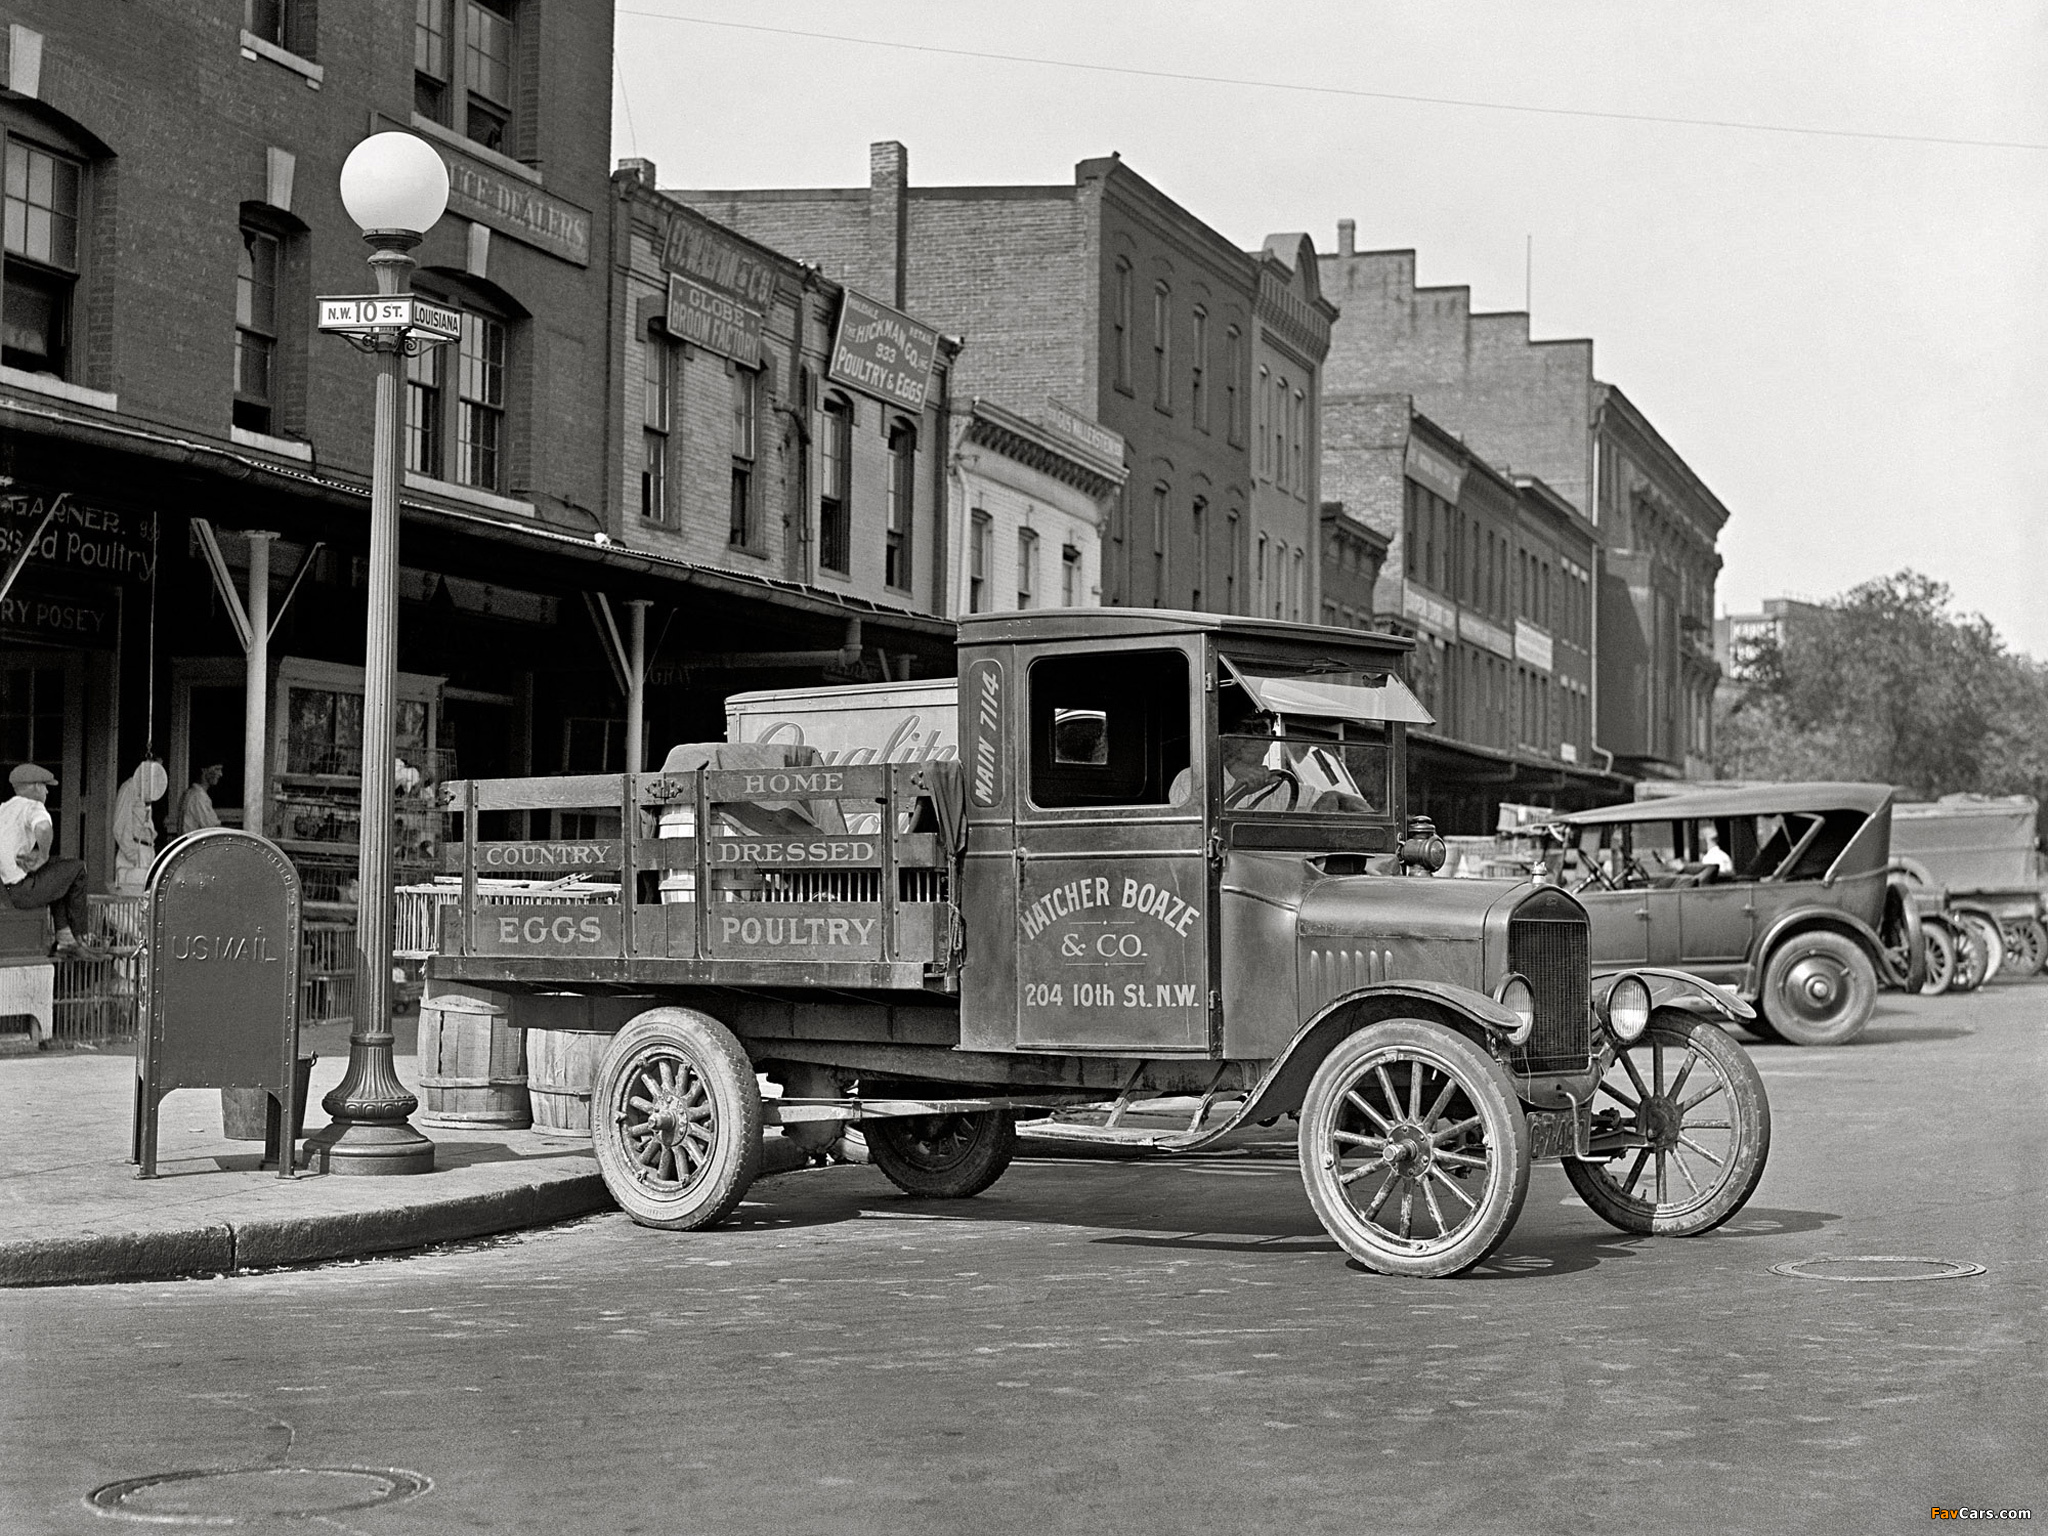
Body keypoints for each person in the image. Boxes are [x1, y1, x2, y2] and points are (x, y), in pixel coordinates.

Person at [0, 763, 103, 957]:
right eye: (45, 786)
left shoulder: (4, 808)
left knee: (60, 870)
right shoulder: (32, 806)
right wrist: (43, 855)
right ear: (36, 786)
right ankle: (81, 938)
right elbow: (43, 828)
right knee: (77, 868)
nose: (47, 792)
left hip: (5, 891)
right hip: (21, 891)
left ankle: (65, 938)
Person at [112, 759, 167, 894]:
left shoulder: (146, 793)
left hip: (146, 851)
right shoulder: (130, 787)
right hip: (135, 852)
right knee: (131, 900)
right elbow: (120, 825)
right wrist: (134, 855)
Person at [177, 762, 224, 837]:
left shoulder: (192, 793)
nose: (220, 774)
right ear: (204, 770)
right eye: (217, 769)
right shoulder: (198, 797)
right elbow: (213, 829)